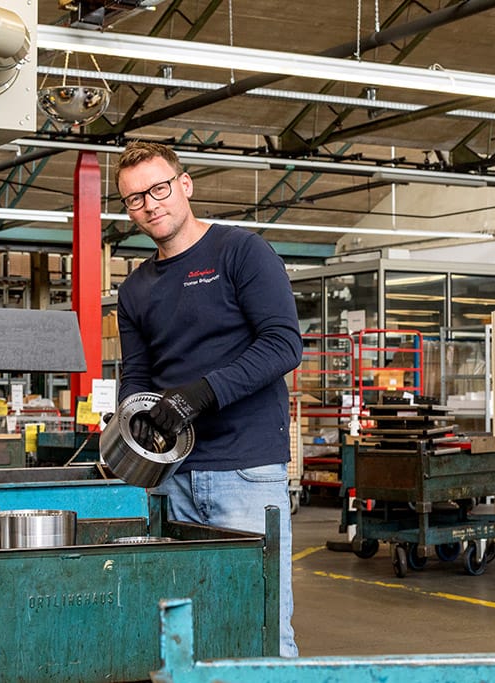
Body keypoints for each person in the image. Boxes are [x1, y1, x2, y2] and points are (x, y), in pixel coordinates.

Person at [113, 140, 303, 657]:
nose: (151, 204)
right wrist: (136, 419)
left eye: (159, 189)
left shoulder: (241, 251)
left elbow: (284, 344)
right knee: (188, 634)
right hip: (171, 478)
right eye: (135, 199)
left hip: (245, 472)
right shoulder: (134, 291)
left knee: (259, 627)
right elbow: (138, 374)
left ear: (184, 184)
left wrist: (199, 395)